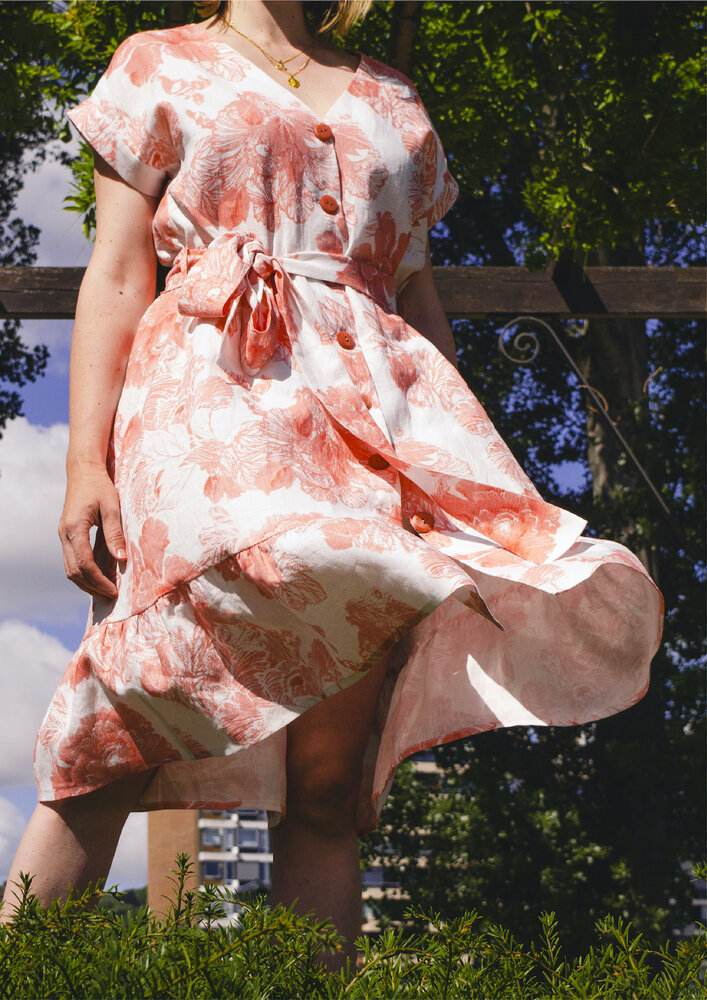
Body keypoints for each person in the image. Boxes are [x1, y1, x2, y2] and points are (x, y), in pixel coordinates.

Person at [1, 0, 662, 970]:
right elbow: (118, 272)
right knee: (138, 698)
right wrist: (84, 465)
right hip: (210, 404)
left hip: (375, 423)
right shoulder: (158, 64)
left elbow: (415, 297)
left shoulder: (393, 100)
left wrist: (452, 473)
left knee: (326, 777)